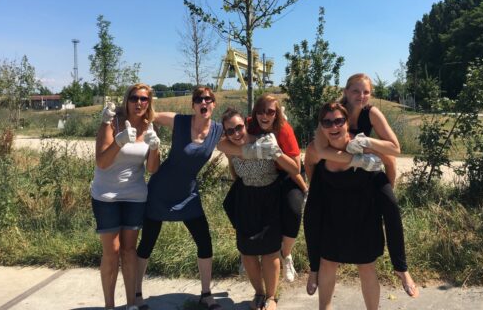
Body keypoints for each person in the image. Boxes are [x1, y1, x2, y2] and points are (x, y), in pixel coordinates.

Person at [307, 73, 419, 299]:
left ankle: (401, 268)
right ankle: (314, 269)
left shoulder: (372, 113)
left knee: (391, 206)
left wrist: (368, 144)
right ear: (346, 92)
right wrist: (353, 160)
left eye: (366, 92)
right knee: (311, 214)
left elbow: (394, 150)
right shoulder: (333, 113)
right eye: (356, 91)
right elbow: (319, 151)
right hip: (341, 166)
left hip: (367, 165)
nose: (361, 96)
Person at [135, 87, 224, 310]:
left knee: (204, 241)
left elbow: (239, 138)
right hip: (160, 191)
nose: (203, 102)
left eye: (208, 99)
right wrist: (144, 132)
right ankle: (136, 294)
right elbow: (149, 114)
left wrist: (256, 148)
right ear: (193, 105)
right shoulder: (180, 121)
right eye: (198, 99)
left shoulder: (217, 130)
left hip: (188, 194)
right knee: (147, 242)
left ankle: (206, 294)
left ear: (213, 104)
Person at [304, 102, 385, 310]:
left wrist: (388, 191)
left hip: (362, 214)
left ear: (347, 123)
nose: (333, 126)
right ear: (321, 126)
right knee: (327, 262)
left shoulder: (361, 145)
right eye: (327, 122)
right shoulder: (316, 149)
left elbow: (391, 158)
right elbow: (309, 167)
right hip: (332, 213)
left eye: (339, 121)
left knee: (366, 266)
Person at [219, 94, 304, 282]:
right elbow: (222, 144)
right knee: (230, 204)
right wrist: (252, 151)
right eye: (260, 111)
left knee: (293, 209)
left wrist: (276, 153)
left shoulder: (284, 130)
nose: (264, 116)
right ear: (254, 113)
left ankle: (286, 254)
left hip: (286, 171)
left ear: (277, 113)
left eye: (270, 112)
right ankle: (246, 250)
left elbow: (296, 168)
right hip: (258, 172)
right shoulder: (248, 124)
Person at [92, 83, 161, 310]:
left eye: (144, 99)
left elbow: (152, 169)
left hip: (135, 196)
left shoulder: (149, 126)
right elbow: (102, 162)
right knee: (111, 252)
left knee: (129, 250)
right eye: (134, 98)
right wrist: (119, 141)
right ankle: (109, 306)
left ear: (149, 102)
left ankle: (132, 304)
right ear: (127, 100)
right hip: (106, 196)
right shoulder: (112, 121)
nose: (138, 103)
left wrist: (155, 147)